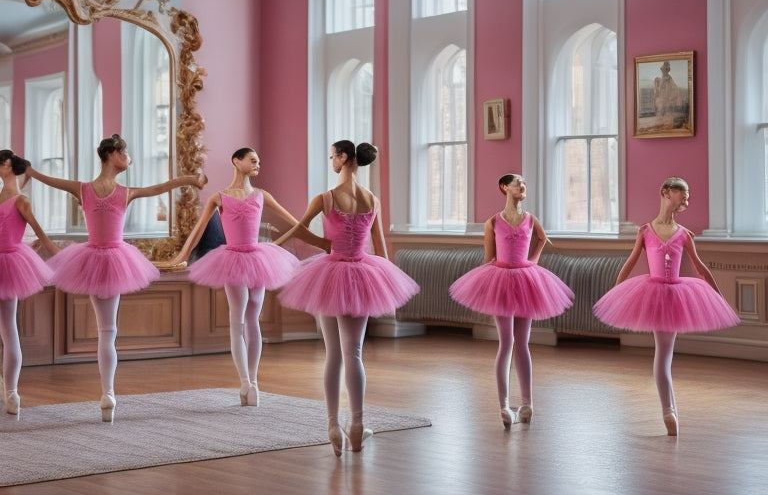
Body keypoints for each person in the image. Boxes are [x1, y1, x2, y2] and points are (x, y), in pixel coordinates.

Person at [28, 134, 207, 422]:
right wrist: (32, 172)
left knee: (105, 331)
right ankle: (107, 393)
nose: (129, 158)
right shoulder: (91, 189)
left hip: (105, 259)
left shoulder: (109, 190)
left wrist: (189, 179)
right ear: (112, 154)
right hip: (100, 259)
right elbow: (52, 180)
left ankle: (107, 393)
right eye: (125, 153)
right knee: (108, 332)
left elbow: (161, 187)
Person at [275, 140, 419, 457]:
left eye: (332, 156)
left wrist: (277, 246)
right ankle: (357, 426)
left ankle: (331, 426)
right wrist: (386, 278)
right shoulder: (372, 200)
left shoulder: (326, 198)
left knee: (334, 355)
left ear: (343, 158)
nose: (330, 160)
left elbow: (298, 230)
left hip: (330, 273)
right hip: (363, 271)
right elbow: (381, 248)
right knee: (353, 353)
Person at [593, 177, 739, 436]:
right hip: (652, 292)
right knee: (663, 356)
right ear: (666, 193)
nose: (687, 200)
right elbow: (630, 262)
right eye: (683, 195)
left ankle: (670, 411)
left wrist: (718, 297)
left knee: (665, 355)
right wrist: (616, 291)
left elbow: (700, 268)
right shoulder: (645, 231)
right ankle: (668, 411)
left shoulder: (684, 235)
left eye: (688, 196)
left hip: (676, 294)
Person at [161, 147, 300, 407]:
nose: (258, 164)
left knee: (247, 320)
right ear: (236, 161)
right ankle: (248, 382)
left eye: (259, 160)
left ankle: (250, 382)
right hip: (234, 258)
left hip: (258, 257)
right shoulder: (219, 198)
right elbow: (197, 231)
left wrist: (281, 243)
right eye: (253, 160)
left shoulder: (262, 195)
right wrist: (180, 257)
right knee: (242, 320)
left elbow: (295, 224)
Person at [449, 174, 574, 428]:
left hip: (527, 279)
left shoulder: (530, 219)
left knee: (523, 343)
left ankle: (527, 402)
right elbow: (489, 256)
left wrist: (534, 260)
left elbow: (542, 237)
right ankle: (504, 405)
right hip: (501, 279)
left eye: (525, 183)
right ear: (505, 188)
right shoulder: (493, 222)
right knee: (506, 342)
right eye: (518, 183)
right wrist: (485, 286)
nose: (523, 186)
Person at [0, 150, 59, 416]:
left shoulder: (21, 201)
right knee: (7, 329)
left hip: (10, 263)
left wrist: (56, 252)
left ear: (8, 166)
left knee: (9, 329)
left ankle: (11, 392)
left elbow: (38, 231)